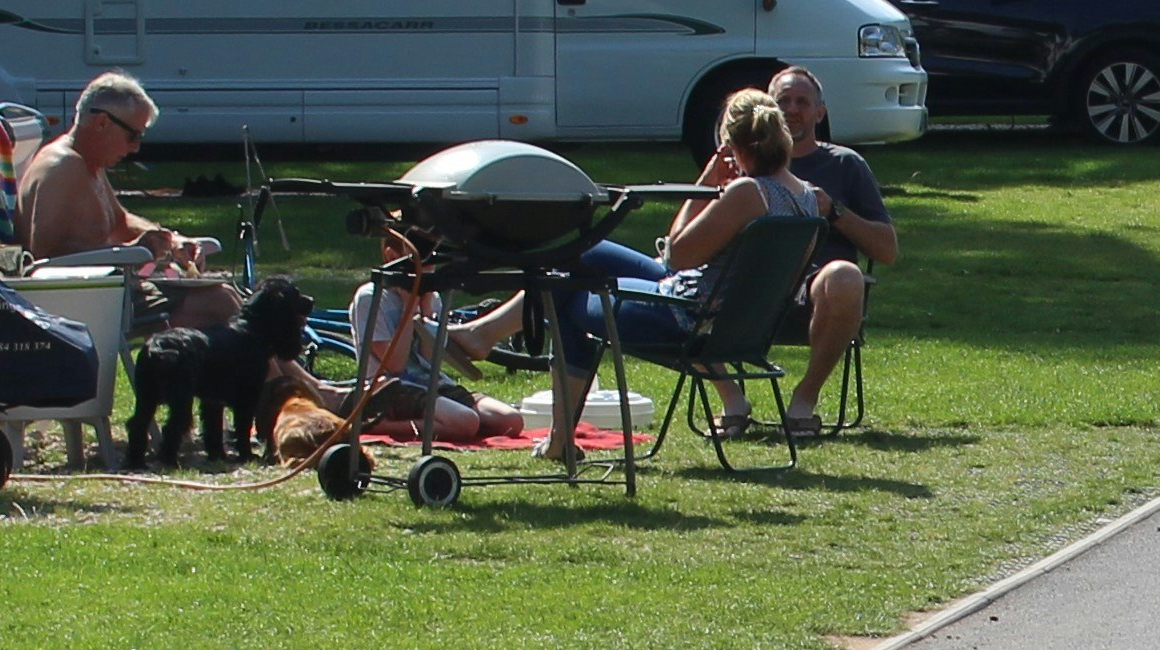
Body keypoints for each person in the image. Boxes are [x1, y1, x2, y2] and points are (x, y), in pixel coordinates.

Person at [539, 89, 817, 461]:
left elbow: (676, 255)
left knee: (567, 291)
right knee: (582, 253)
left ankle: (557, 439)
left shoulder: (747, 193)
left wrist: (707, 182)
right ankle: (486, 338)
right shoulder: (808, 198)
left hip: (686, 320)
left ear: (731, 144)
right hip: (742, 327)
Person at [697, 67, 901, 439]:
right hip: (748, 285)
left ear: (820, 113)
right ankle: (731, 398)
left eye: (802, 102)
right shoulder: (741, 165)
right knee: (684, 286)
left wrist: (835, 212)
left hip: (816, 286)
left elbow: (887, 250)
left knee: (844, 275)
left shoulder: (844, 164)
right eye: (783, 101)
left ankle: (804, 399)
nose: (792, 109)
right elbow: (688, 248)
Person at [17, 73, 211, 271]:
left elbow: (121, 222)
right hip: (84, 297)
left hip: (108, 291)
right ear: (102, 123)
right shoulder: (63, 166)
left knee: (221, 294)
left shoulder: (89, 163)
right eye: (133, 136)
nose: (135, 148)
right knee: (219, 299)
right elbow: (44, 256)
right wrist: (129, 253)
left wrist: (171, 240)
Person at [339, 282, 530, 445]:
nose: (428, 270)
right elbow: (394, 365)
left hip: (432, 383)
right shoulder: (371, 297)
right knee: (467, 422)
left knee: (511, 421)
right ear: (391, 255)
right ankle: (376, 425)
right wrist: (409, 306)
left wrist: (427, 312)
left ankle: (441, 419)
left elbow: (430, 361)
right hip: (392, 386)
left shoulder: (433, 298)